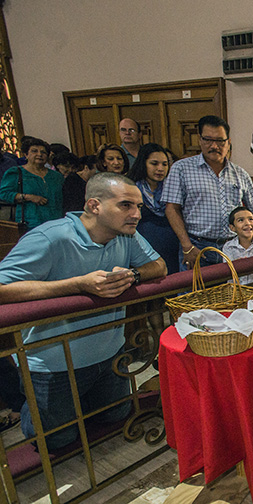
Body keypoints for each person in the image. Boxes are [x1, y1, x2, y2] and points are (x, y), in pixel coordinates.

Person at [0, 172, 166, 450]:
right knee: (56, 439)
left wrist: (133, 277)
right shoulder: (50, 237)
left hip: (109, 351)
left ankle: (79, 403)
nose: (136, 214)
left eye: (139, 206)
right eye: (126, 205)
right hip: (55, 361)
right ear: (93, 205)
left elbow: (159, 266)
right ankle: (29, 406)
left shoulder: (125, 234)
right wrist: (78, 286)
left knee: (114, 416)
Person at [162, 115, 253, 270]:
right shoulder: (181, 169)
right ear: (200, 141)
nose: (214, 146)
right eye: (208, 140)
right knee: (195, 293)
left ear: (228, 142)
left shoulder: (240, 174)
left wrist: (245, 239)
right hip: (196, 247)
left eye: (220, 141)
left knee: (234, 293)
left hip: (233, 248)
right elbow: (171, 209)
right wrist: (187, 245)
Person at [127, 143, 181, 274]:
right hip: (143, 250)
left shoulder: (174, 188)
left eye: (164, 164)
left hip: (172, 248)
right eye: (154, 163)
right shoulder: (130, 188)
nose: (160, 168)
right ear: (143, 163)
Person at [0, 137, 63, 230]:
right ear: (26, 155)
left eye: (43, 152)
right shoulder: (16, 173)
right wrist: (28, 197)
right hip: (30, 223)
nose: (39, 154)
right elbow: (3, 194)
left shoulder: (56, 176)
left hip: (56, 222)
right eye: (34, 151)